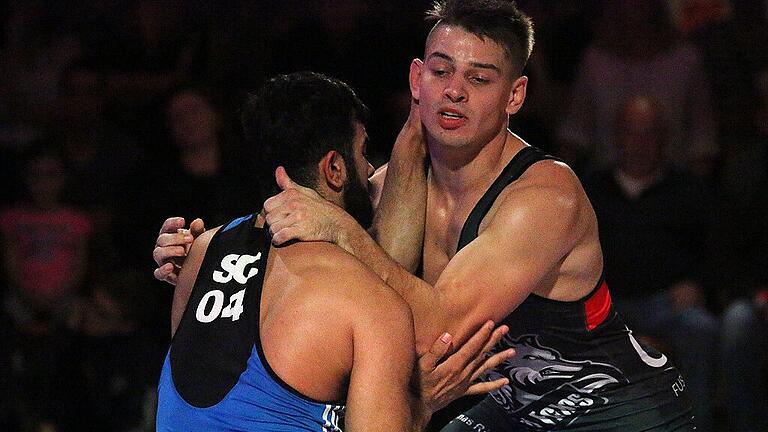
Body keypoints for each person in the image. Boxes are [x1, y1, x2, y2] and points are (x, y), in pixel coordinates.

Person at [156, 1, 695, 430]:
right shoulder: (394, 180)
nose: (455, 90)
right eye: (441, 71)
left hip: (612, 410)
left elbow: (439, 333)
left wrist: (343, 228)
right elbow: (301, 235)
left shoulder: (544, 197)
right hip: (506, 408)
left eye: (480, 79)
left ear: (516, 95)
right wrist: (200, 253)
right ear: (417, 79)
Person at [154, 72, 511, 432]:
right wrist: (419, 404)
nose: (370, 168)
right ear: (335, 169)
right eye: (362, 152)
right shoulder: (371, 303)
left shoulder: (200, 252)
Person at [582, 95, 718, 431]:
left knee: (701, 329)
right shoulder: (589, 189)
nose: (640, 144)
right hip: (606, 307)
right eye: (631, 133)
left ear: (664, 138)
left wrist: (697, 284)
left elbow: (716, 253)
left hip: (668, 304)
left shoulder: (688, 189)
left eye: (649, 134)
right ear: (617, 136)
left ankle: (695, 425)